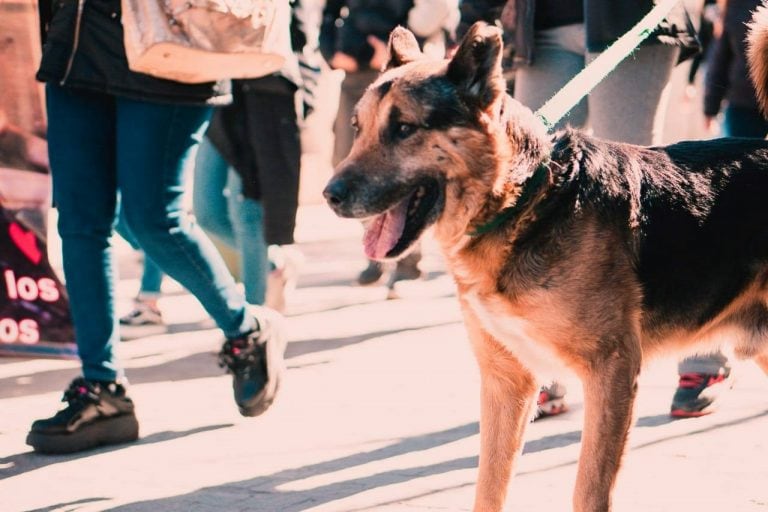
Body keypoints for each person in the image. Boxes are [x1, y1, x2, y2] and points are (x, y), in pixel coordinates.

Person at [27, 0, 287, 454]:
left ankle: (246, 328)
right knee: (81, 222)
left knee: (154, 220)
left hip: (169, 38)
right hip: (77, 43)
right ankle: (103, 387)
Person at [459, 0, 700, 418]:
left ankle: (703, 352)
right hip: (542, 25)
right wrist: (472, 20)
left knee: (641, 193)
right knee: (530, 186)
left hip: (630, 15)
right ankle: (543, 368)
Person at [321, 0, 459, 289]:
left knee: (394, 171)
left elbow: (437, 7)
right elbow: (328, 11)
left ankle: (407, 257)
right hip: (355, 73)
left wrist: (405, 51)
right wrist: (332, 51)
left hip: (407, 69)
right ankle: (379, 248)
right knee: (348, 163)